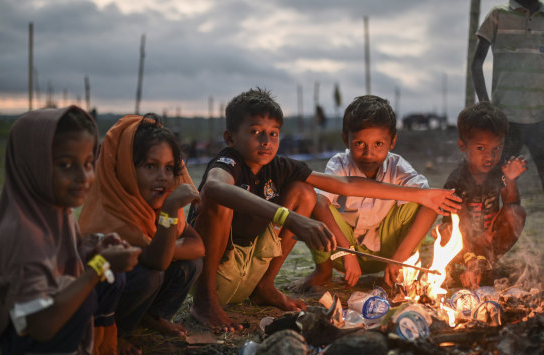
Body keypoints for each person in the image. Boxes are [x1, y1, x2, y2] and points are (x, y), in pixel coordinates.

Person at [188, 88, 462, 331]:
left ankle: (265, 287)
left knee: (303, 191)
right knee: (220, 201)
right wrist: (287, 217)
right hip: (218, 271)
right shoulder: (228, 162)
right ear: (230, 137)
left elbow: (345, 184)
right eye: (255, 132)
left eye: (273, 133)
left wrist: (422, 195)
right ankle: (203, 301)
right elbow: (213, 188)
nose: (266, 141)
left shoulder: (280, 166)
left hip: (251, 269)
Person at [0, 106, 140, 355]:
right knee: (87, 293)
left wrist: (95, 251)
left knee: (107, 280)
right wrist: (97, 264)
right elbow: (41, 324)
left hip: (26, 326)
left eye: (88, 163)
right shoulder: (22, 233)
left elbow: (63, 262)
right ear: (32, 164)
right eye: (66, 165)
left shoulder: (56, 211)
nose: (83, 177)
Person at [79, 114, 203, 346]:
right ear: (125, 167)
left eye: (169, 168)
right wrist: (167, 219)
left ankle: (150, 316)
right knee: (148, 276)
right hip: (95, 305)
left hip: (152, 261)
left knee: (191, 264)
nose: (163, 178)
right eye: (150, 166)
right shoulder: (111, 211)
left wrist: (162, 246)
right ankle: (116, 330)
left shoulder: (155, 202)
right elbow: (157, 262)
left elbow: (198, 246)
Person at [298, 95, 438, 290]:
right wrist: (346, 252)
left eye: (378, 144)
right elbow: (320, 204)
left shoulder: (397, 166)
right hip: (341, 254)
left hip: (389, 254)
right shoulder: (339, 164)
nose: (369, 153)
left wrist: (398, 258)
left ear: (392, 141)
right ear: (345, 139)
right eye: (359, 144)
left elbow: (432, 204)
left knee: (421, 201)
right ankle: (323, 271)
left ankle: (402, 271)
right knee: (313, 201)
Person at [437, 102, 526, 289]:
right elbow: (455, 223)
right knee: (445, 229)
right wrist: (470, 260)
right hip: (461, 243)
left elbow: (512, 205)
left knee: (516, 213)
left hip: (488, 239)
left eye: (496, 149)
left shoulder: (499, 172)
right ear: (462, 145)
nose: (489, 157)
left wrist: (510, 179)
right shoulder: (457, 180)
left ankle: (487, 263)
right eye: (481, 148)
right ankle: (464, 267)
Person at [471, 0, 544, 190]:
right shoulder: (498, 15)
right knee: (495, 184)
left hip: (541, 119)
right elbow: (476, 64)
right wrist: (485, 105)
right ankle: (492, 220)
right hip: (506, 121)